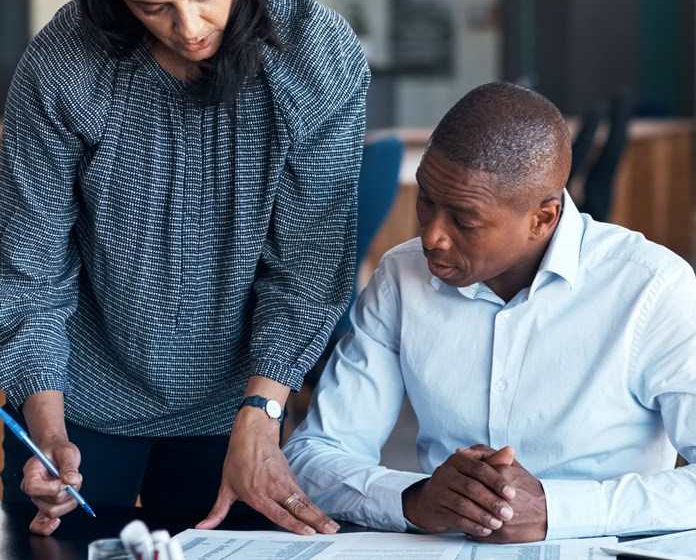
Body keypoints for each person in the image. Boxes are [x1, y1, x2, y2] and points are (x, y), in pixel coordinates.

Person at [0, 0, 367, 537]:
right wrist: (48, 433)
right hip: (78, 399)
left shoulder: (316, 58)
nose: (188, 27)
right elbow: (31, 273)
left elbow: (306, 270)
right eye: (151, 6)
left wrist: (263, 412)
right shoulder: (63, 67)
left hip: (240, 403)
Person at [283, 82, 696, 542]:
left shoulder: (652, 288)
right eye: (426, 200)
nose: (431, 237)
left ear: (542, 218)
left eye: (464, 219)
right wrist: (416, 499)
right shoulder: (402, 277)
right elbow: (313, 454)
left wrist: (555, 511)